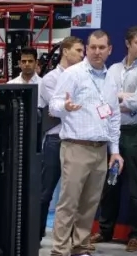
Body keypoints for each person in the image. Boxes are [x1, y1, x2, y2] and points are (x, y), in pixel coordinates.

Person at [48, 30, 123, 256]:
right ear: (87, 49)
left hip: (100, 149)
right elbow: (53, 105)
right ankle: (60, 252)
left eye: (102, 48)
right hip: (76, 146)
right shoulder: (73, 74)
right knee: (69, 202)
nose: (97, 52)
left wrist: (115, 151)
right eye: (93, 47)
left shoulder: (111, 78)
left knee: (90, 203)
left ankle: (80, 248)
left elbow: (114, 116)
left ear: (109, 50)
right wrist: (65, 107)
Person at [92, 26, 137, 252]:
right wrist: (122, 98)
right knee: (110, 184)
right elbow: (101, 98)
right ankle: (105, 230)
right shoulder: (114, 69)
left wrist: (115, 100)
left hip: (136, 133)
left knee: (136, 187)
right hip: (113, 132)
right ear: (128, 44)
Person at [37, 37, 84, 243]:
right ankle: (36, 234)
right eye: (78, 50)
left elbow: (81, 106)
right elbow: (59, 109)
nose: (82, 55)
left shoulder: (83, 76)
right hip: (55, 139)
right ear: (65, 51)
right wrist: (73, 107)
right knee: (46, 190)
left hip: (76, 138)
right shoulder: (50, 79)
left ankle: (72, 237)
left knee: (74, 193)